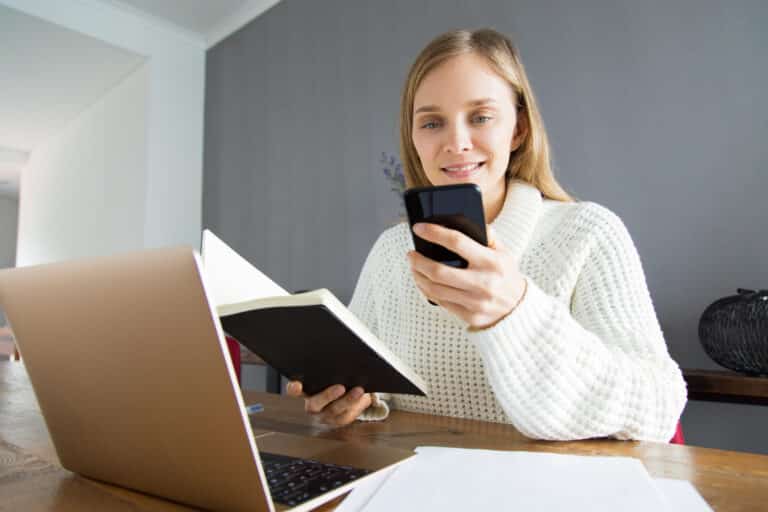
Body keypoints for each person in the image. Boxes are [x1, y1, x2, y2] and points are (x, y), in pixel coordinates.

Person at [286, 28, 687, 442]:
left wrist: (514, 310)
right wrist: (350, 400)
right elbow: (366, 384)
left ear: (518, 130)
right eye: (431, 122)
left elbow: (658, 407)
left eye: (481, 117)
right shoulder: (391, 251)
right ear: (413, 137)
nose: (456, 143)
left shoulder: (588, 233)